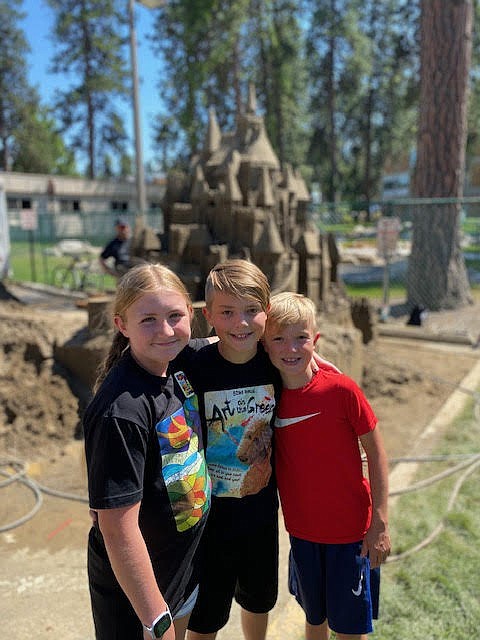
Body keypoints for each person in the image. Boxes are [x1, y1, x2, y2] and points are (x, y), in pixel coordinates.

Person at [83, 263, 212, 640]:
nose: (166, 330)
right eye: (149, 320)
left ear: (192, 313)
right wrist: (156, 619)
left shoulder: (173, 366)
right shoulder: (120, 411)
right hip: (139, 598)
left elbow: (237, 342)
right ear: (121, 325)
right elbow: (118, 530)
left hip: (178, 571)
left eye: (175, 316)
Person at [262, 292, 391, 640]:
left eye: (301, 338)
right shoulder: (267, 395)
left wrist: (379, 523)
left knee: (349, 627)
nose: (291, 348)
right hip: (301, 534)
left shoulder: (342, 391)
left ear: (315, 340)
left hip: (350, 535)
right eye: (279, 339)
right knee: (314, 618)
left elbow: (377, 456)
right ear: (265, 345)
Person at [185, 259, 282, 640]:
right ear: (208, 315)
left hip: (259, 511)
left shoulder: (275, 363)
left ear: (266, 311)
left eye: (251, 311)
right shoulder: (192, 363)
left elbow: (307, 360)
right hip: (208, 520)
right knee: (206, 616)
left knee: (259, 601)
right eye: (227, 312)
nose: (240, 323)